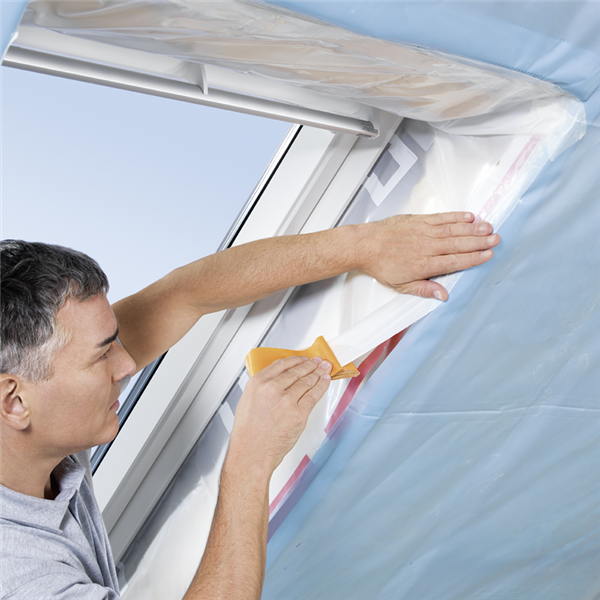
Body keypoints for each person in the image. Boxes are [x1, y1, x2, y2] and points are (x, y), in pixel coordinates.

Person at [0, 213, 499, 599]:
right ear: (14, 400)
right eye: (101, 356)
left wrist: (364, 245)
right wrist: (250, 463)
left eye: (114, 341)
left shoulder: (38, 416)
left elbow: (183, 295)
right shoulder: (19, 574)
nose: (128, 363)